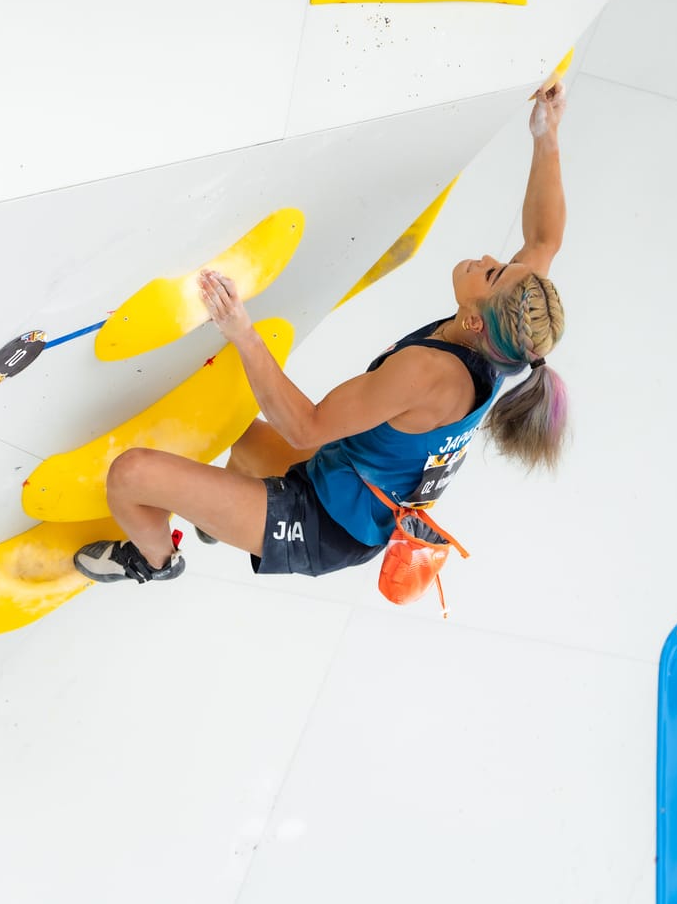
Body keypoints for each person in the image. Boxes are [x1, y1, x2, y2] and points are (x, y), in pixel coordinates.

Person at [74, 81, 571, 585]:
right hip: (341, 470)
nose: (489, 259)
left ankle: (155, 561)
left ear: (472, 320)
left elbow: (304, 427)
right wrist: (546, 132)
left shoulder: (429, 374)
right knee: (233, 431)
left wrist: (242, 332)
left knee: (131, 475)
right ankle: (220, 515)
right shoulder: (512, 337)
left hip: (325, 524)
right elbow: (545, 238)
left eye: (490, 273)